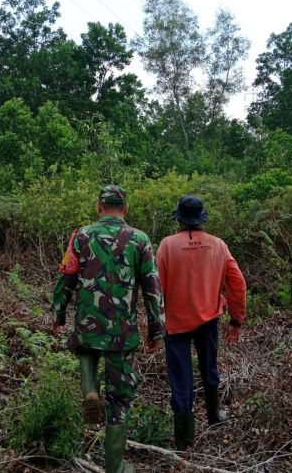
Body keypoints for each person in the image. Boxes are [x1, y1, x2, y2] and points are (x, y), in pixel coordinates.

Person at [50, 185, 165, 473]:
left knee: (83, 344)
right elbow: (152, 288)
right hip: (122, 332)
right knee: (121, 398)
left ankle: (89, 389)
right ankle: (115, 466)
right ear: (125, 209)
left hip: (87, 325)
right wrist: (156, 328)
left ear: (99, 208)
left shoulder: (81, 235)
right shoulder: (140, 239)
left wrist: (58, 313)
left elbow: (67, 276)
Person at [156, 195, 246, 451]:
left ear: (180, 220)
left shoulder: (167, 245)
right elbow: (238, 284)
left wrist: (154, 324)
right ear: (201, 218)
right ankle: (214, 416)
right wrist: (236, 321)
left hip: (175, 323)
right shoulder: (218, 245)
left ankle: (185, 440)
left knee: (181, 379)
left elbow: (157, 288)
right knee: (209, 368)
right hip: (209, 319)